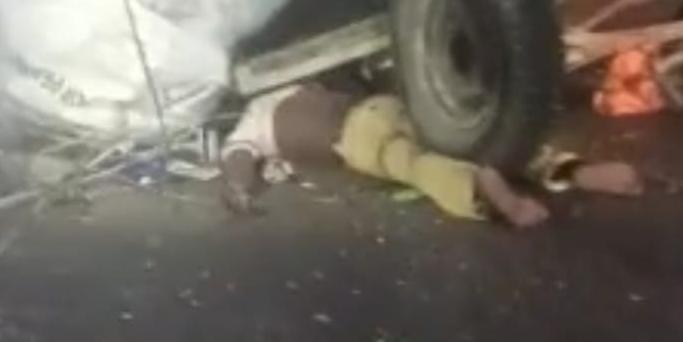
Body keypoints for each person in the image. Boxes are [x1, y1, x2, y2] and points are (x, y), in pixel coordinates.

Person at [219, 82, 642, 227]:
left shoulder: (250, 125)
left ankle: (482, 189)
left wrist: (238, 188)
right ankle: (572, 169)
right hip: (377, 106)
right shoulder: (290, 89)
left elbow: (237, 156)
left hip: (351, 138)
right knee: (473, 137)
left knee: (416, 165)